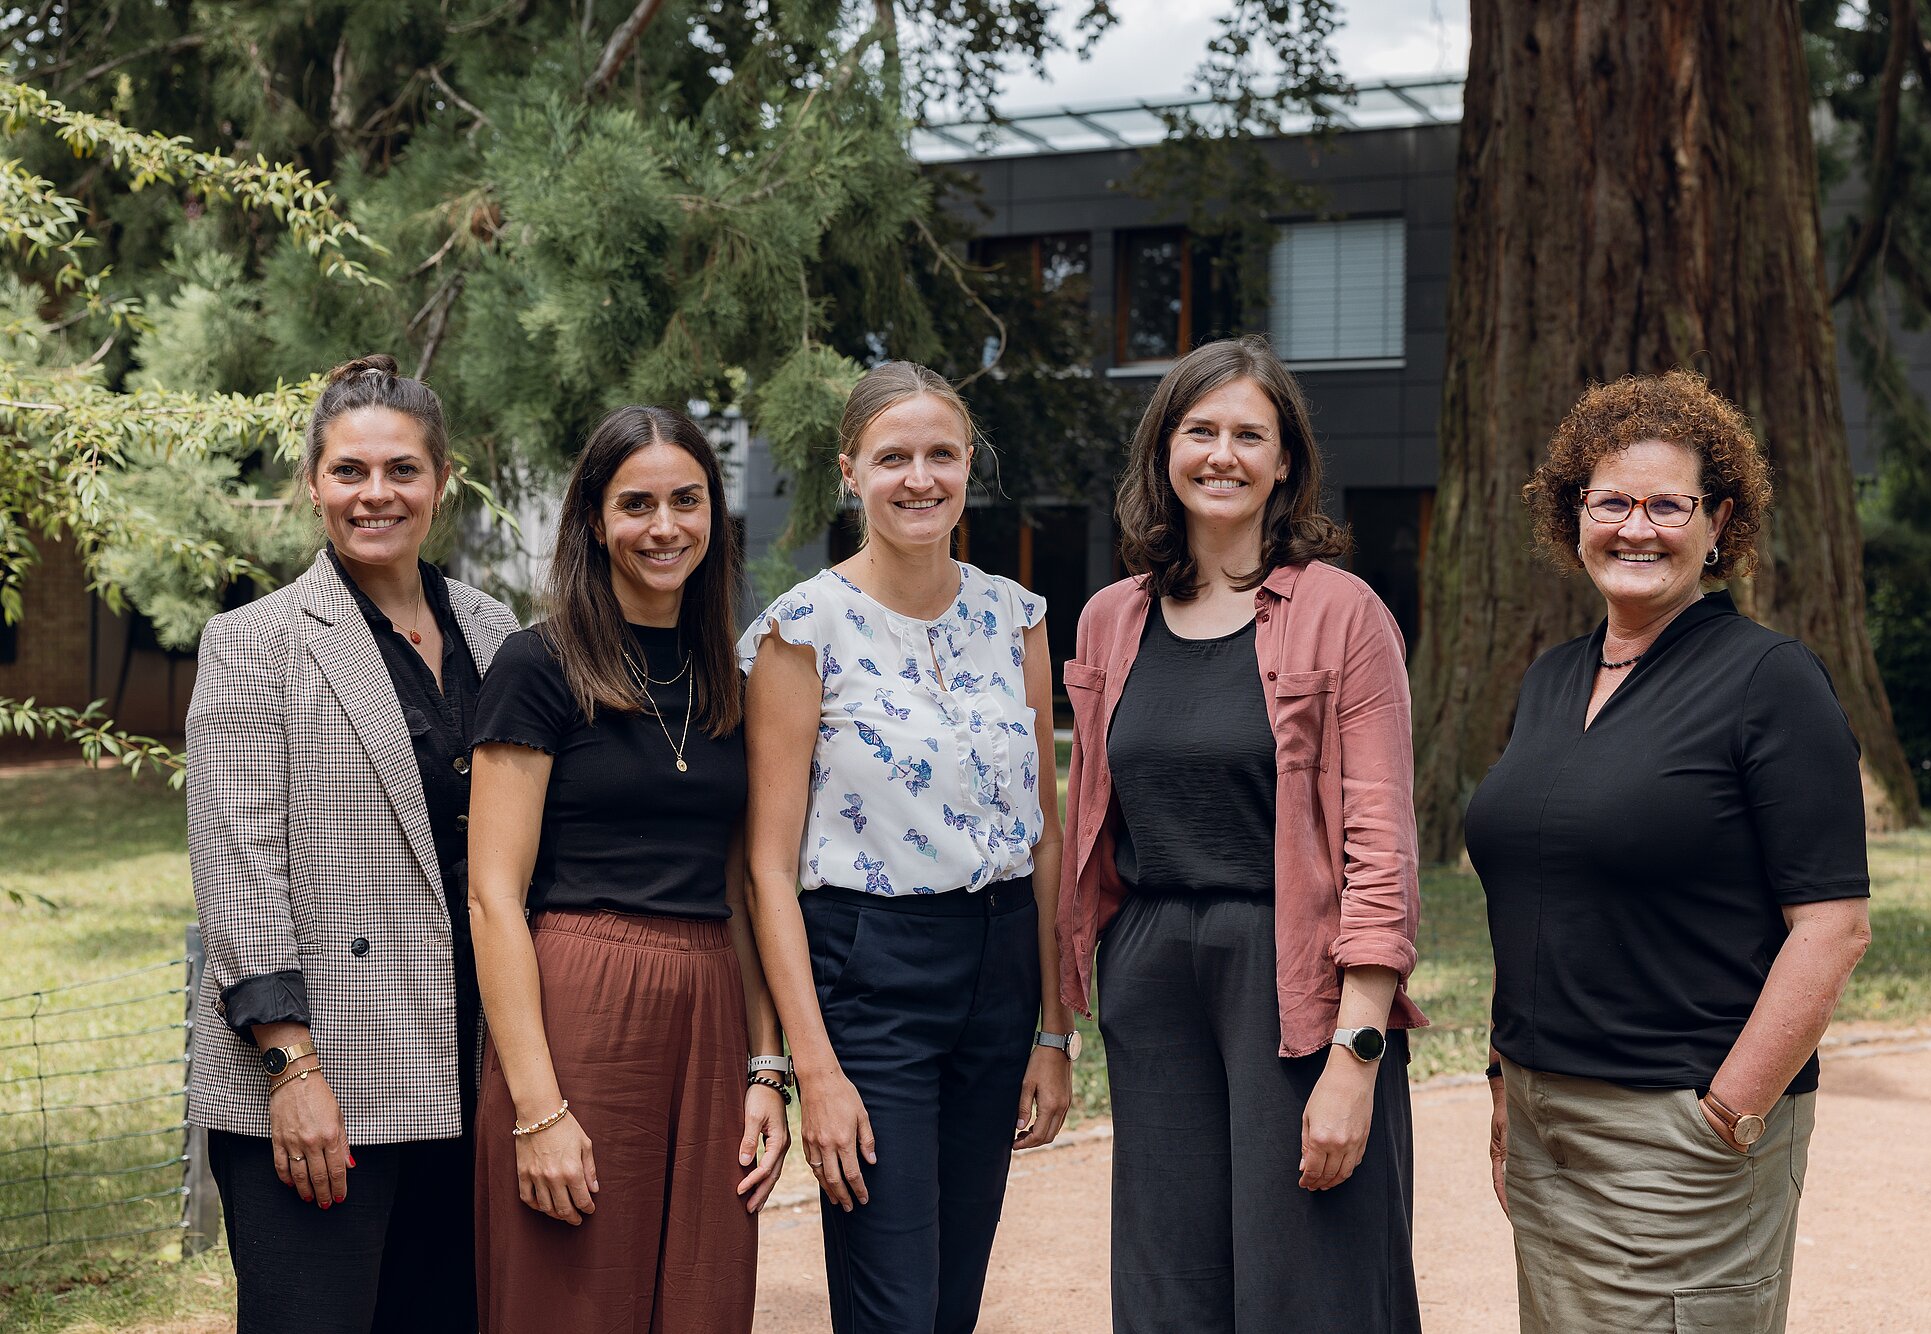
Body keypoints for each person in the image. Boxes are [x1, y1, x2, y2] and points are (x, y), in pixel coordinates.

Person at [1464, 370, 1873, 1333]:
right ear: (1574, 517)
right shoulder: (1553, 678)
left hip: (1677, 1138)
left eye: (1667, 504)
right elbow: (1531, 891)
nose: (1635, 527)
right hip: (1540, 1120)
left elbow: (1834, 927)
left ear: (1718, 520)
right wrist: (1501, 1078)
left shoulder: (1771, 681)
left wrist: (1727, 1114)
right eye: (1609, 501)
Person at [1056, 336, 1424, 1332]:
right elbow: (1086, 821)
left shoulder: (1342, 615)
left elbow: (1379, 844)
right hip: (1151, 972)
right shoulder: (1107, 620)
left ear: (1285, 464)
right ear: (1163, 450)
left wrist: (1354, 1051)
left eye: (1247, 435)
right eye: (1199, 430)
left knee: (1308, 1278)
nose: (1221, 454)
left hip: (1289, 969)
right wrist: (1061, 1008)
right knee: (1166, 1282)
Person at [186, 354, 518, 1332]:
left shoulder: (495, 631)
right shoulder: (256, 639)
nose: (376, 494)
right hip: (320, 1074)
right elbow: (237, 864)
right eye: (350, 471)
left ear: (441, 480)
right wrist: (293, 1067)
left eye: (402, 470)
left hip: (468, 1065)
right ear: (313, 482)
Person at [739, 361, 1072, 1333]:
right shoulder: (800, 632)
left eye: (940, 453)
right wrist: (814, 1065)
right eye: (892, 456)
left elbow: (1042, 833)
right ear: (850, 470)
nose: (918, 477)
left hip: (1001, 964)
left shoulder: (1018, 617)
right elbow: (765, 866)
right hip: (867, 974)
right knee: (892, 1303)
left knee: (952, 1299)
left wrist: (1051, 1029)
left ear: (969, 463)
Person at [466, 406, 788, 1334]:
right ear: (594, 522)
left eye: (687, 501)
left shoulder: (731, 675)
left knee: (703, 1298)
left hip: (714, 1009)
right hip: (582, 1002)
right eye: (635, 503)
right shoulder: (538, 665)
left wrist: (766, 1073)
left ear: (714, 517)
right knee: (573, 1301)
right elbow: (494, 897)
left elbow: (741, 891)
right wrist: (537, 1109)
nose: (664, 527)